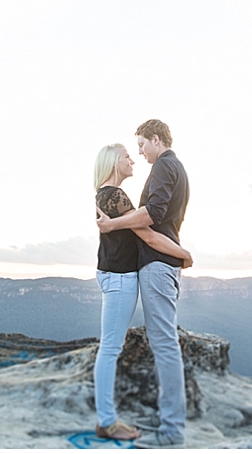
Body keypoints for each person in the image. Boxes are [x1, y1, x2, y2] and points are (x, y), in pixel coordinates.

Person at [96, 119, 190, 449]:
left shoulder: (165, 165)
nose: (137, 153)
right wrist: (180, 252)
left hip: (158, 265)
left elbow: (150, 218)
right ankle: (165, 424)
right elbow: (148, 224)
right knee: (158, 346)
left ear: (155, 139)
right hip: (144, 269)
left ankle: (171, 432)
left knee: (164, 347)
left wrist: (180, 253)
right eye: (130, 152)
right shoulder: (164, 168)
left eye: (140, 145)